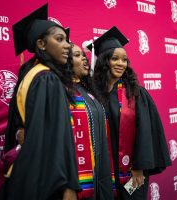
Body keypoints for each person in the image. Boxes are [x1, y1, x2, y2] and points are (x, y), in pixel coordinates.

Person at [0, 4, 80, 199]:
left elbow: (23, 128)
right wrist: (69, 185)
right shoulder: (47, 78)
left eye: (67, 40)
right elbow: (57, 138)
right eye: (59, 39)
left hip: (27, 174)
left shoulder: (31, 74)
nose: (67, 45)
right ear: (41, 44)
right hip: (47, 180)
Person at [89, 26, 171, 199]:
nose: (121, 64)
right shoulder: (93, 94)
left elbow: (145, 133)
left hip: (132, 169)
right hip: (103, 170)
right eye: (115, 59)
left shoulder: (135, 94)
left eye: (124, 60)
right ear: (104, 61)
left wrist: (139, 166)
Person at [66, 43, 115, 199]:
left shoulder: (89, 90)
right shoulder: (61, 90)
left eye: (83, 55)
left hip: (100, 167)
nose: (84, 59)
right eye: (77, 55)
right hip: (77, 171)